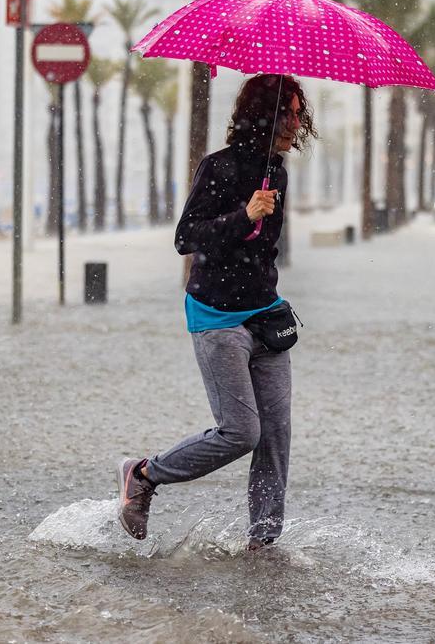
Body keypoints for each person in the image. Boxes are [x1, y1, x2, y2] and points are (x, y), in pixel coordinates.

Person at [116, 74, 317, 551]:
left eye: (297, 112)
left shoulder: (278, 173)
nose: (295, 122)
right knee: (241, 431)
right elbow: (186, 237)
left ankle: (263, 544)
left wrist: (258, 231)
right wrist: (242, 217)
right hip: (216, 316)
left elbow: (262, 252)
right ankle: (145, 473)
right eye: (286, 113)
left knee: (275, 435)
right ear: (262, 116)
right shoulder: (219, 168)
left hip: (264, 315)